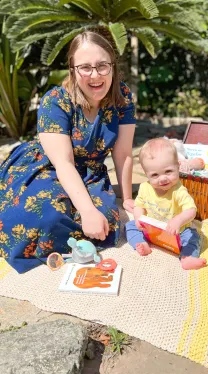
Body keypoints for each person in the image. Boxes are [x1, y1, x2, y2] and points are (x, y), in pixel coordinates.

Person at [0, 30, 136, 273]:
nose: (95, 75)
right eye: (85, 67)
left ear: (113, 67)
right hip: (47, 165)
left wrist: (126, 200)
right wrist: (86, 210)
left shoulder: (122, 96)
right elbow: (64, 163)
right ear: (73, 70)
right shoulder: (56, 100)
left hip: (89, 172)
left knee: (106, 220)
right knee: (42, 217)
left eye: (102, 66)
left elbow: (124, 153)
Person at [125, 138, 207, 270]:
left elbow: (191, 210)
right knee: (130, 226)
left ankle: (187, 257)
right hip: (152, 231)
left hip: (177, 232)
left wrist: (178, 220)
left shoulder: (178, 191)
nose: (163, 178)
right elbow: (138, 205)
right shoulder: (145, 188)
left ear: (178, 166)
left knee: (193, 236)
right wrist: (139, 218)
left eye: (168, 171)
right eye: (155, 175)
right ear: (146, 174)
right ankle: (141, 243)